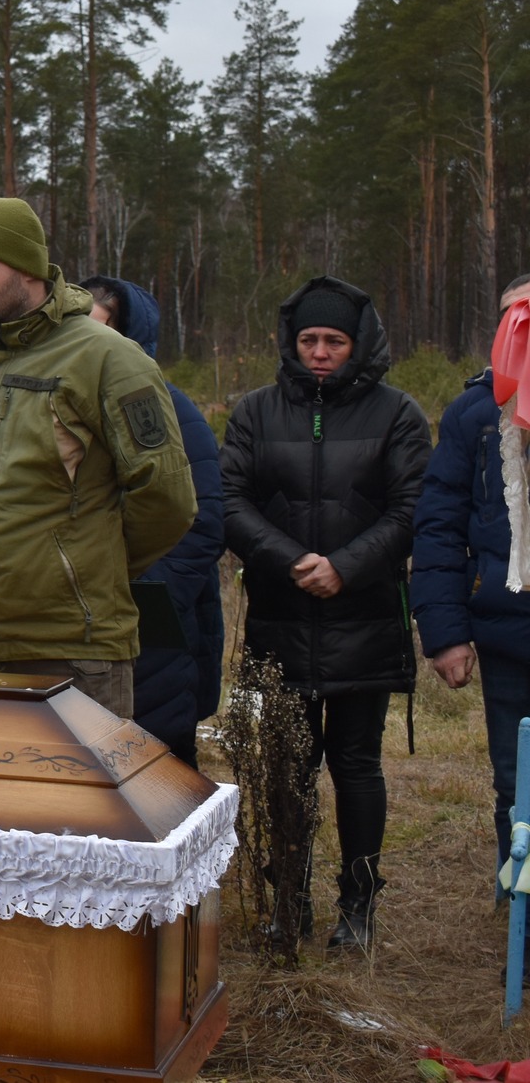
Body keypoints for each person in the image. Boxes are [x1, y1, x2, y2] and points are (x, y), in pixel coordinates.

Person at [0, 197, 195, 716]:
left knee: (77, 800)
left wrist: (79, 565)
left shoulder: (108, 358)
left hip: (70, 652)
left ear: (28, 271)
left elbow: (166, 498)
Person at [222, 276, 431, 951]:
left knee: (356, 764)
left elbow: (411, 509)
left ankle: (359, 906)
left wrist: (345, 565)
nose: (319, 352)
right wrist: (289, 559)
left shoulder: (397, 414)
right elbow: (228, 501)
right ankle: (289, 901)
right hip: (280, 617)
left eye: (333, 341)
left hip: (365, 619)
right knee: (287, 768)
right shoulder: (254, 413)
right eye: (309, 339)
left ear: (355, 344)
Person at [412, 276, 530, 897]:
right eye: (518, 318)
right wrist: (446, 633)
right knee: (518, 785)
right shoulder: (474, 414)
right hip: (508, 632)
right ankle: (522, 919)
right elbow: (437, 527)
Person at [81, 276, 227, 768]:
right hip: (73, 625)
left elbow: (201, 520)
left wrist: (137, 593)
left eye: (98, 329)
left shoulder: (173, 412)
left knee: (159, 782)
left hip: (154, 633)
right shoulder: (57, 408)